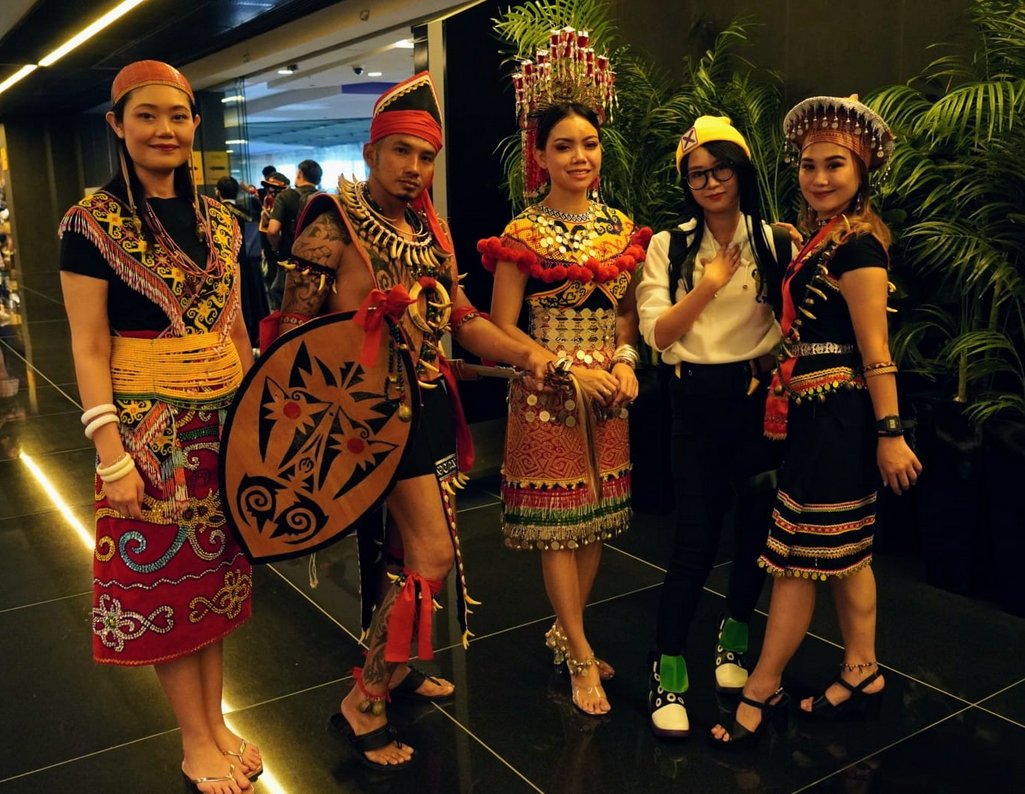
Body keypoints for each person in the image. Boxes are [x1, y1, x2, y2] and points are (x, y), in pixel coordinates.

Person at [269, 71, 548, 770]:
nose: (414, 168)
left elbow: (463, 319)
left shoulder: (431, 229)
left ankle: (396, 666)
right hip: (364, 418)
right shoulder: (331, 222)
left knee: (405, 554)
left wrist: (530, 354)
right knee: (432, 555)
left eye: (426, 157)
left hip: (427, 405)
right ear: (371, 152)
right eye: (401, 152)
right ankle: (364, 697)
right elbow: (291, 335)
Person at [58, 61, 260, 792]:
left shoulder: (223, 223)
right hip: (150, 435)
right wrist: (112, 455)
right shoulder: (89, 223)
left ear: (196, 124)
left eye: (177, 116)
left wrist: (254, 426)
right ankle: (193, 738)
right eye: (146, 116)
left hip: (221, 427)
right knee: (168, 587)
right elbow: (88, 346)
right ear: (117, 125)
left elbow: (237, 329)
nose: (164, 130)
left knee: (216, 579)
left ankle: (216, 718)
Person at [711, 95, 923, 748]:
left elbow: (875, 352)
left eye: (835, 165)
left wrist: (890, 434)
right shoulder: (825, 238)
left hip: (839, 420)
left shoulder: (859, 249)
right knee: (846, 555)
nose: (819, 177)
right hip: (815, 416)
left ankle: (761, 687)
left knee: (796, 561)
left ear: (861, 171)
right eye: (809, 165)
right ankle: (862, 671)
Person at [479, 29, 650, 717]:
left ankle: (566, 629)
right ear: (540, 156)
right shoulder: (522, 233)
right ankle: (579, 653)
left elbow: (629, 317)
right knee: (559, 525)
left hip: (608, 392)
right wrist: (555, 367)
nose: (580, 157)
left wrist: (627, 363)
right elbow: (500, 328)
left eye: (589, 143)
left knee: (594, 522)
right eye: (563, 146)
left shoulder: (621, 228)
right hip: (545, 392)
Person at [635, 116, 794, 738]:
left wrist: (771, 363)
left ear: (741, 170)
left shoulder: (773, 240)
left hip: (755, 402)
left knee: (756, 530)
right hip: (693, 402)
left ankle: (735, 633)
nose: (710, 183)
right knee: (695, 537)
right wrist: (708, 285)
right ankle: (667, 665)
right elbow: (658, 334)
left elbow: (793, 320)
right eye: (696, 174)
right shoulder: (669, 245)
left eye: (720, 168)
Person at [216, 176, 268, 348]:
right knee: (254, 300)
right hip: (251, 263)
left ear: (218, 192)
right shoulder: (247, 212)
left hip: (228, 266)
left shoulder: (215, 214)